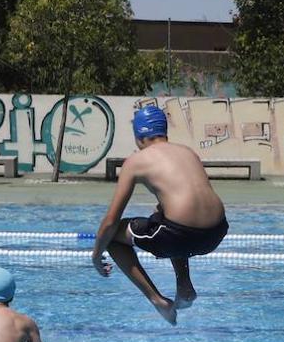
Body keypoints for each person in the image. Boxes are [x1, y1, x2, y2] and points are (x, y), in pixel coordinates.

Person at [92, 104, 229, 325]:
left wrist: (96, 256)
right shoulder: (188, 152)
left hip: (180, 234)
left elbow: (110, 221)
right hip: (217, 231)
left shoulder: (136, 162)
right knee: (164, 215)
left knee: (113, 237)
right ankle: (184, 285)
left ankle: (157, 300)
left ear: (138, 135)